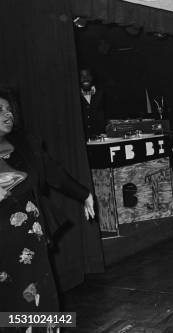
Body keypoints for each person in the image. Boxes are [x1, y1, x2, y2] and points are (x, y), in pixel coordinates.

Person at [0, 87, 95, 330]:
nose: (7, 114)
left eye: (9, 110)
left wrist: (84, 194)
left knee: (40, 297)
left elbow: (54, 173)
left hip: (30, 237)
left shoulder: (25, 144)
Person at [79, 68, 106, 138]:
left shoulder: (101, 94)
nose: (85, 78)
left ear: (92, 77)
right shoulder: (74, 97)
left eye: (88, 75)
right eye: (82, 76)